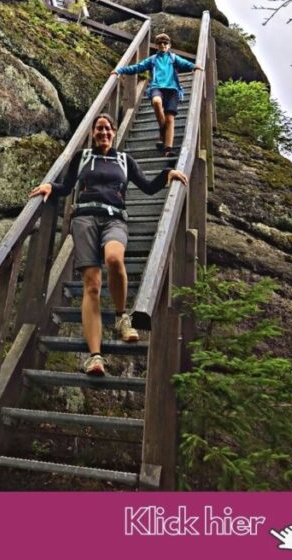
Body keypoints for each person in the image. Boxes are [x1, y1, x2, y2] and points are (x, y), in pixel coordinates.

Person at [29, 112, 188, 376]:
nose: (103, 133)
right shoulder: (83, 158)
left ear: (114, 132)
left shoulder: (125, 160)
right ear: (93, 133)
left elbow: (148, 187)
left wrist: (167, 173)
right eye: (99, 129)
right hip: (84, 220)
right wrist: (50, 187)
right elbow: (67, 187)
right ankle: (95, 357)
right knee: (91, 285)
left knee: (114, 258)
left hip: (115, 218)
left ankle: (121, 315)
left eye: (108, 129)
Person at [114, 32, 202, 156]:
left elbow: (186, 64)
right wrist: (119, 70)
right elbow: (137, 67)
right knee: (156, 101)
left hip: (172, 90)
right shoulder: (153, 60)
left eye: (165, 43)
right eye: (160, 43)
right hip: (157, 87)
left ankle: (168, 149)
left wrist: (196, 67)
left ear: (169, 45)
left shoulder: (173, 58)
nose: (163, 45)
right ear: (156, 46)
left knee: (170, 118)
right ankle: (162, 128)